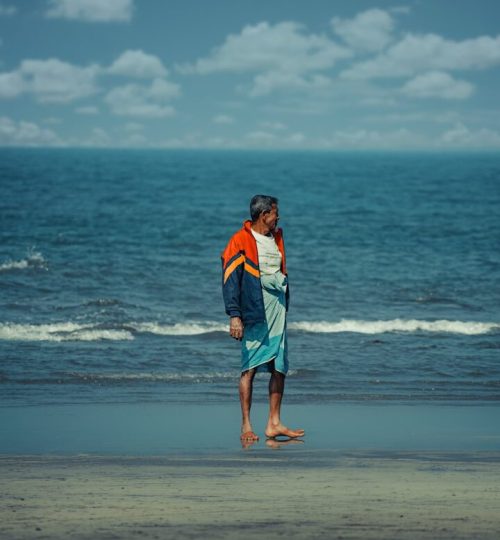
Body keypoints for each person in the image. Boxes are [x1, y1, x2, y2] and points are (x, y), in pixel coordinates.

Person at [221, 195, 305, 443]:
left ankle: (274, 423)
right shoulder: (240, 240)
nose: (278, 217)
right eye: (275, 213)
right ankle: (246, 424)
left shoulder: (277, 237)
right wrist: (234, 316)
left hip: (278, 310)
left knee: (279, 368)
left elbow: (278, 271)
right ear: (263, 214)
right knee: (250, 369)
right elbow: (229, 280)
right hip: (255, 311)